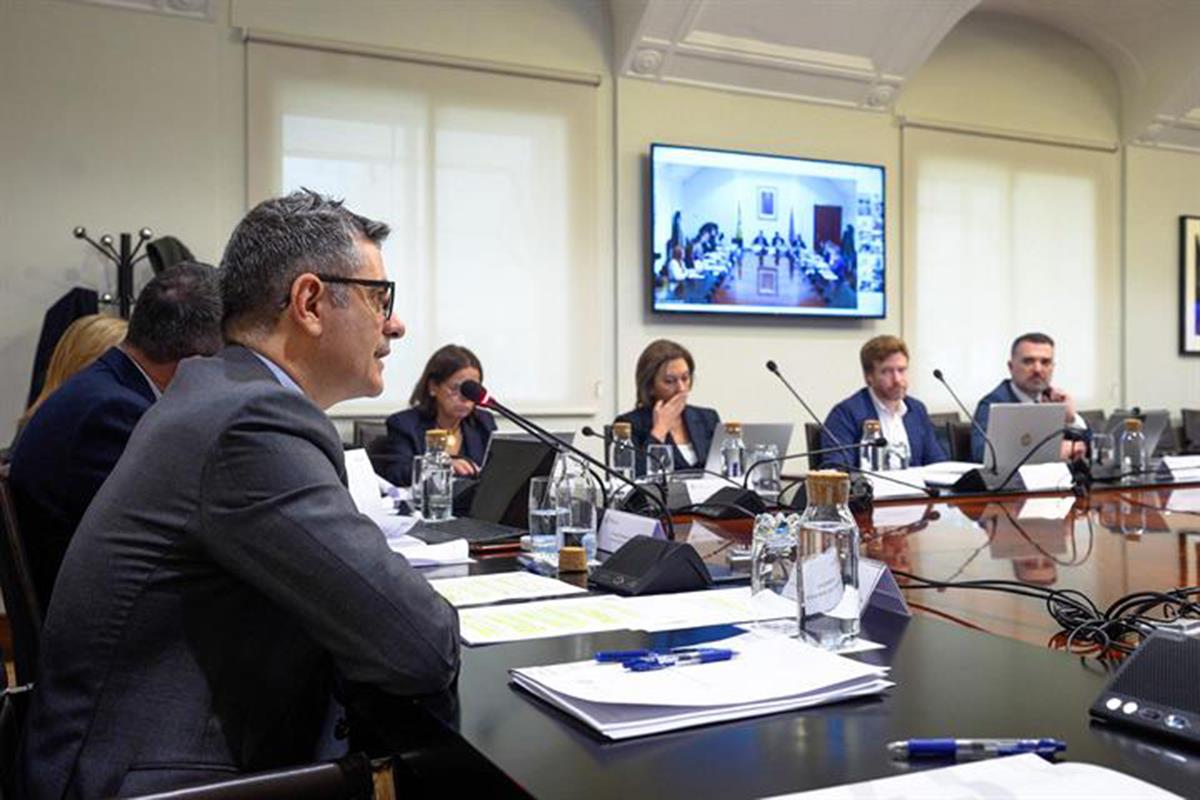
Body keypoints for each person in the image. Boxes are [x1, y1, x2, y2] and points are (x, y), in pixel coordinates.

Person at [19, 191, 460, 798]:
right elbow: (418, 645)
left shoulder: (217, 390)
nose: (396, 323)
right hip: (154, 781)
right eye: (379, 298)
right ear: (309, 302)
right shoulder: (251, 421)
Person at [8, 263, 222, 612]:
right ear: (196, 362)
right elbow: (172, 544)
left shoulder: (107, 389)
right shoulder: (110, 414)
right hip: (101, 640)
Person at [375, 343, 497, 486]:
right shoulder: (404, 424)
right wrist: (440, 466)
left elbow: (495, 473)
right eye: (456, 389)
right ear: (433, 387)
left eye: (471, 390)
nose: (465, 398)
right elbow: (397, 474)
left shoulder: (483, 423)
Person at [821, 335, 947, 470]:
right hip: (870, 489)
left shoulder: (916, 410)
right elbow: (837, 467)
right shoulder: (846, 413)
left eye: (901, 370)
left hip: (914, 490)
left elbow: (936, 462)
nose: (897, 379)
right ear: (869, 376)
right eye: (887, 371)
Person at [971, 332, 1087, 463]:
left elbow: (1093, 449)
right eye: (1028, 361)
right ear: (1011, 367)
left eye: (1045, 362)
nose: (1038, 369)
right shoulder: (993, 403)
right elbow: (981, 454)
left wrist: (1071, 419)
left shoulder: (1053, 399)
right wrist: (1051, 453)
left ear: (1053, 367)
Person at [614, 339, 719, 475]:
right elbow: (634, 477)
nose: (681, 388)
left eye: (685, 378)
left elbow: (722, 471)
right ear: (650, 386)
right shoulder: (629, 424)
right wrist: (660, 430)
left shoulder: (708, 418)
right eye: (670, 381)